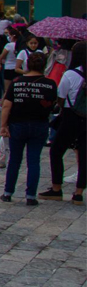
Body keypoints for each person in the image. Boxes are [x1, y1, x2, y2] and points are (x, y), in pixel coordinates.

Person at [0, 52, 58, 205]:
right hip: (39, 125)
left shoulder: (17, 81)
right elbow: (53, 105)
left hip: (17, 124)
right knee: (33, 161)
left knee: (14, 160)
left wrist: (3, 125)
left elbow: (6, 105)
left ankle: (8, 192)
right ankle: (31, 196)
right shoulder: (50, 84)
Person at [41, 41, 85, 204]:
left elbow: (60, 97)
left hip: (70, 115)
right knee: (84, 154)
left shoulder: (71, 74)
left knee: (57, 151)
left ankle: (57, 188)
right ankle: (79, 192)